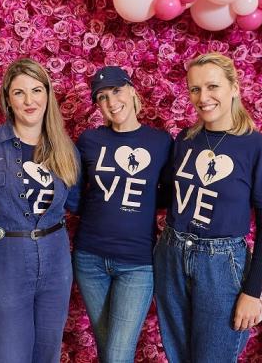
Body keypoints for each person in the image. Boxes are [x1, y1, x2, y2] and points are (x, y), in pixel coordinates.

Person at [154, 53, 262, 363]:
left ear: (234, 87)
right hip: (171, 253)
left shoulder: (257, 146)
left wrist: (251, 293)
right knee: (179, 355)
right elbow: (169, 196)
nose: (203, 97)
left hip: (221, 264)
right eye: (195, 89)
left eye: (213, 86)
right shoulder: (185, 139)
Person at [0, 58, 80, 363]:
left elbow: (73, 203)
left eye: (37, 90)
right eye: (19, 92)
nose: (29, 100)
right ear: (7, 99)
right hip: (4, 256)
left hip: (55, 257)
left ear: (48, 95)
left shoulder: (66, 148)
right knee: (6, 353)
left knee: (47, 351)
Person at [73, 66, 173, 363]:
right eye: (102, 97)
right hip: (89, 258)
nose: (111, 101)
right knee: (108, 351)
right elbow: (77, 194)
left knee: (117, 354)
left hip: (137, 264)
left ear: (131, 90)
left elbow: (166, 195)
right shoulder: (89, 140)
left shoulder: (160, 142)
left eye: (116, 91)